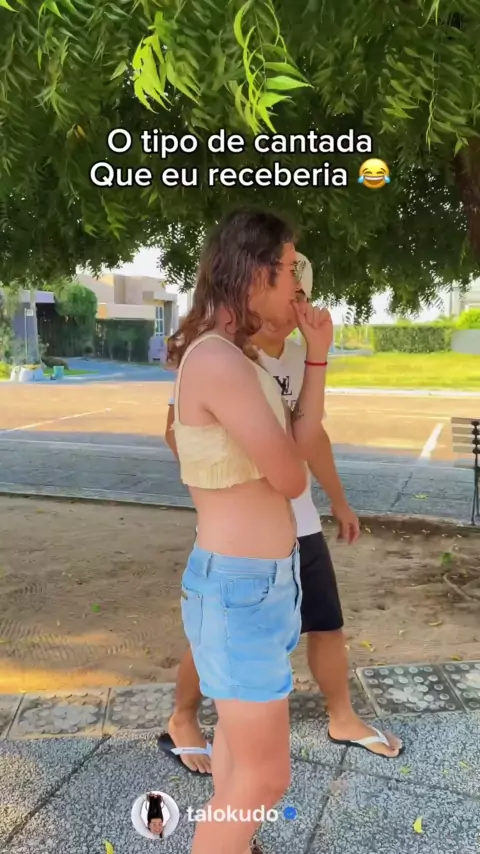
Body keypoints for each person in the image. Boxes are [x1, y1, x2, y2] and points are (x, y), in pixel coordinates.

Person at [161, 252, 403, 776]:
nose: (298, 304)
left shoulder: (295, 357)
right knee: (220, 635)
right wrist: (230, 493)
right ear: (256, 289)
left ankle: (341, 716)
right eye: (287, 289)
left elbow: (309, 439)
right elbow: (177, 432)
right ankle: (183, 718)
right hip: (242, 540)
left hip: (297, 525)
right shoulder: (221, 355)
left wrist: (338, 501)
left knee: (326, 621)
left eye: (301, 293)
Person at [163, 208, 332, 854]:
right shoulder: (217, 361)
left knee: (239, 754)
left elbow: (303, 443)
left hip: (261, 585)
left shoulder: (242, 359)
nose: (299, 287)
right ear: (254, 274)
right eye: (289, 270)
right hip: (239, 590)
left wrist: (316, 357)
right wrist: (291, 448)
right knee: (266, 777)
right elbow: (290, 476)